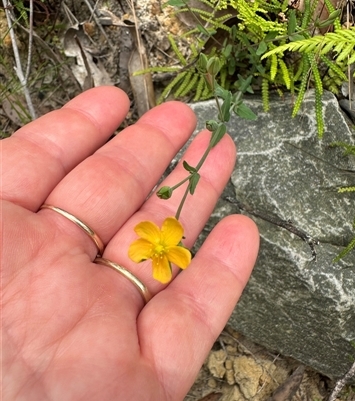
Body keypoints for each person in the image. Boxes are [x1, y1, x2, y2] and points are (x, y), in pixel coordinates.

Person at [1, 86, 259, 401]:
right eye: (158, 253)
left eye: (161, 253)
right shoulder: (156, 240)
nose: (159, 254)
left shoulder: (171, 239)